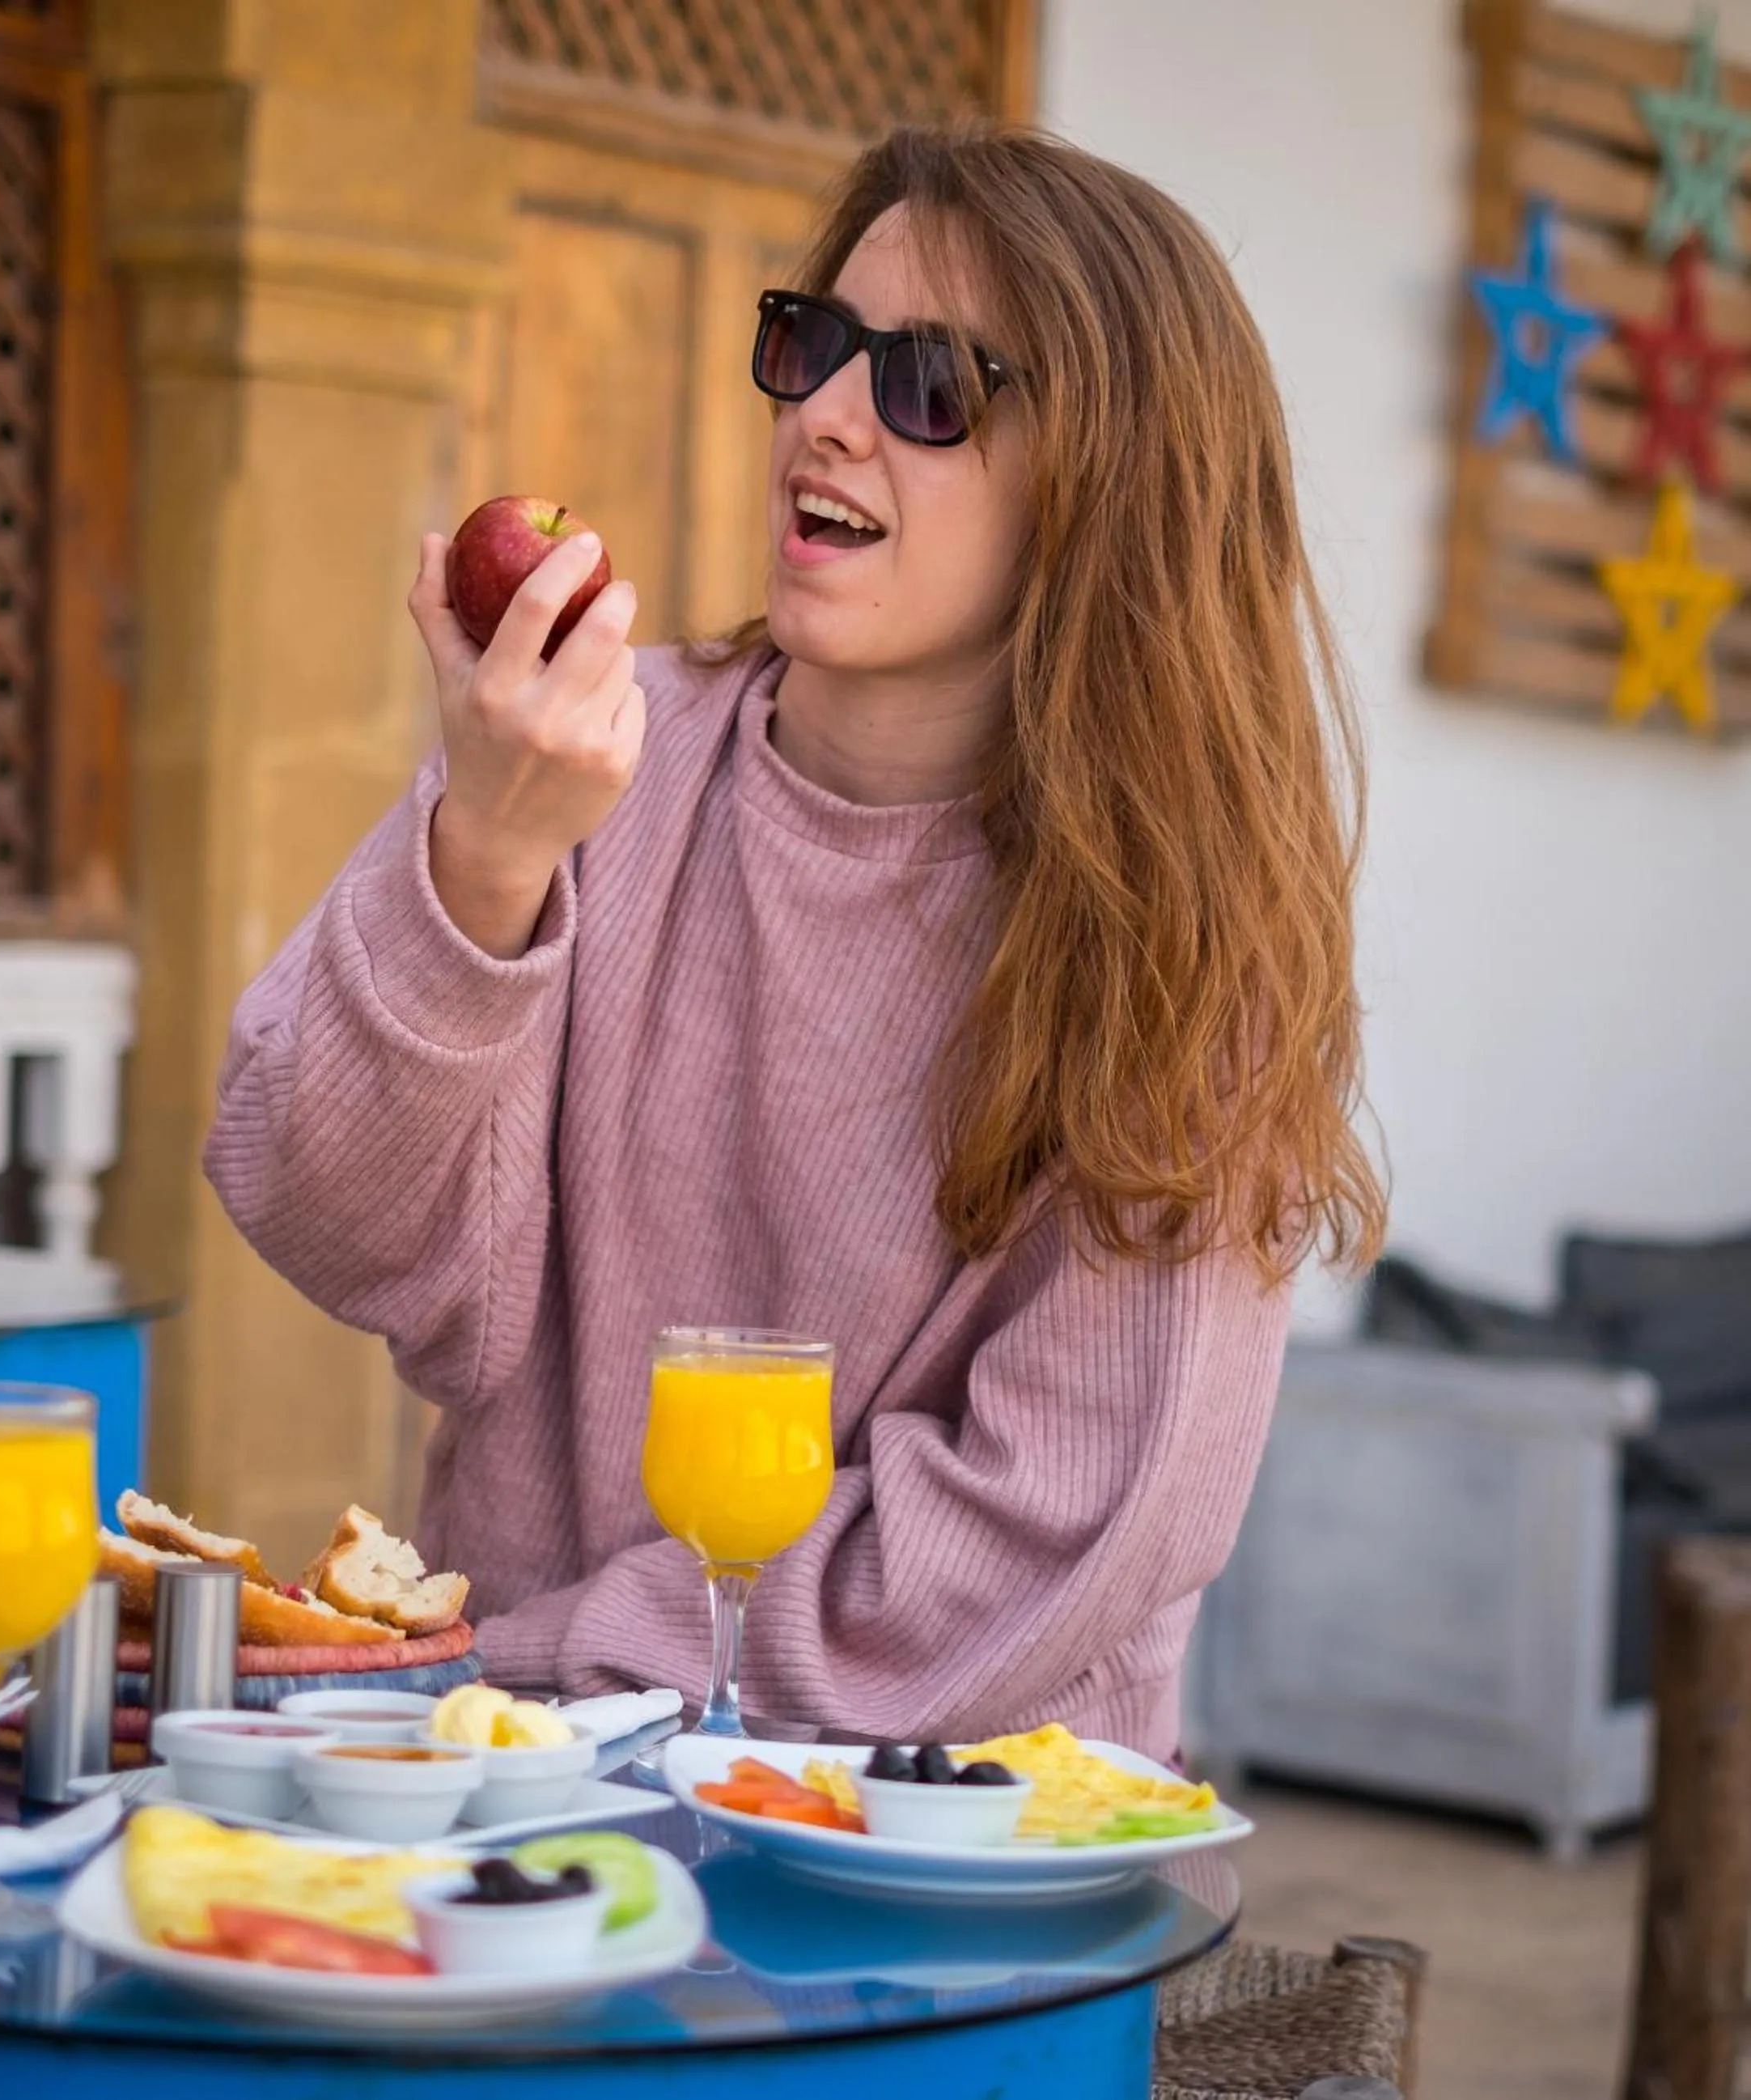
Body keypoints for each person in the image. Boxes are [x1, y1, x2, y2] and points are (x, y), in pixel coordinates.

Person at [204, 124, 1384, 1759]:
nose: (822, 413)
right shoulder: (590, 765)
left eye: (929, 385)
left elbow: (1043, 1543)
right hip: (535, 1825)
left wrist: (523, 1665)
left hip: (946, 1871)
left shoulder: (1176, 942)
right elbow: (309, 1197)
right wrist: (480, 851)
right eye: (813, 343)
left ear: (1108, 479)